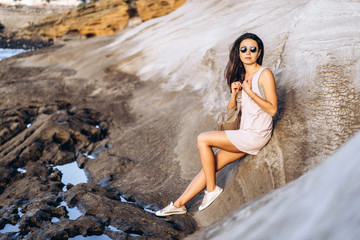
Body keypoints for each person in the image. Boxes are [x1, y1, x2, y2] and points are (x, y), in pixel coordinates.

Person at [155, 33, 278, 216]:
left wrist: (250, 92)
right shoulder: (243, 75)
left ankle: (211, 189)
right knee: (210, 166)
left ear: (259, 52)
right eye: (243, 49)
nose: (248, 53)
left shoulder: (264, 73)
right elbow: (232, 111)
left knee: (203, 139)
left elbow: (273, 109)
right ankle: (179, 204)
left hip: (256, 134)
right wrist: (235, 93)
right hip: (243, 132)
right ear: (238, 52)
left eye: (253, 49)